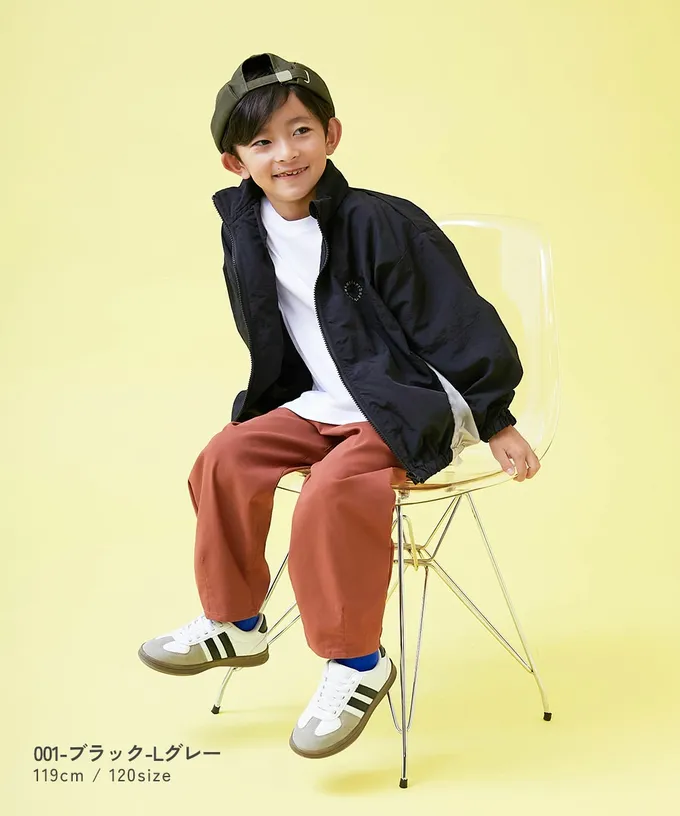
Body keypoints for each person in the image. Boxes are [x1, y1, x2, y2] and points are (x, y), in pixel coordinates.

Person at [138, 52, 541, 760]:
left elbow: (452, 318)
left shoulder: (381, 221)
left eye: (301, 131)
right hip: (326, 399)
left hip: (411, 398)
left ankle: (358, 662)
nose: (286, 154)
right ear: (235, 163)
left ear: (332, 134)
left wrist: (495, 416)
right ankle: (235, 623)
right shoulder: (244, 227)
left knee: (333, 491)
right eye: (262, 142)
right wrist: (279, 401)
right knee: (226, 456)